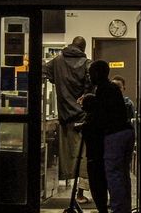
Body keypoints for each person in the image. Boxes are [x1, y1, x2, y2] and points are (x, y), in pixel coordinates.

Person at [43, 36, 93, 204]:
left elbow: (42, 71)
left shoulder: (57, 61)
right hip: (84, 117)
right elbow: (93, 84)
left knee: (67, 155)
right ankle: (79, 194)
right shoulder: (87, 63)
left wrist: (55, 79)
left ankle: (70, 191)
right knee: (84, 156)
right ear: (83, 48)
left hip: (65, 117)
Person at [89, 60, 135, 213]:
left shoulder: (103, 90)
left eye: (91, 73)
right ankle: (124, 208)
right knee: (123, 174)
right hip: (127, 132)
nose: (89, 77)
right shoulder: (113, 88)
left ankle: (117, 209)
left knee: (113, 175)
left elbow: (101, 117)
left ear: (97, 73)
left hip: (114, 135)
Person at [79, 93, 109, 213]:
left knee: (96, 186)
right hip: (102, 156)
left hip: (94, 157)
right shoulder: (100, 118)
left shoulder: (91, 121)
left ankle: (102, 209)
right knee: (101, 185)